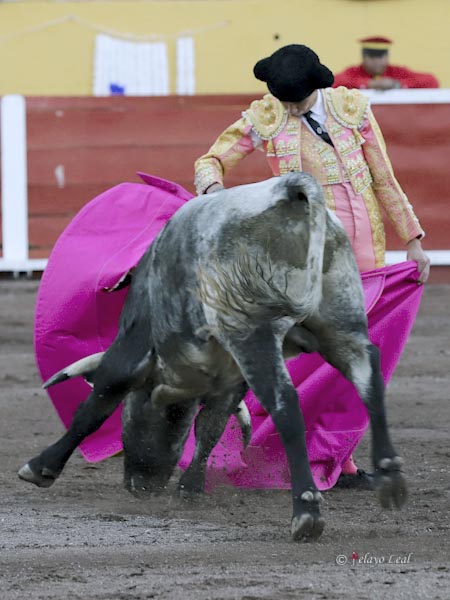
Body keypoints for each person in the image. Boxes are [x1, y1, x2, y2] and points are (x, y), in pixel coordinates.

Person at [194, 43, 430, 487]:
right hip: (307, 257)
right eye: (284, 101)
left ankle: (337, 458)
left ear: (316, 88)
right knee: (322, 360)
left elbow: (383, 178)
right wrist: (212, 195)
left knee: (347, 362)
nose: (290, 108)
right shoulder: (266, 116)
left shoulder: (352, 109)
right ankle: (322, 458)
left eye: (297, 101)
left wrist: (413, 238)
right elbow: (211, 161)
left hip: (367, 254)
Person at [333, 36, 439, 91]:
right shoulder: (354, 72)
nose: (377, 62)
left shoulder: (397, 72)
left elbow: (431, 81)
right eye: (372, 57)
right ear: (363, 57)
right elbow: (334, 83)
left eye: (380, 57)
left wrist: (397, 84)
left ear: (387, 57)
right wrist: (369, 84)